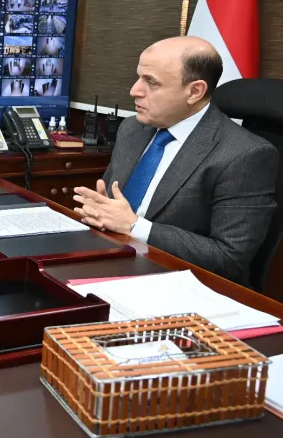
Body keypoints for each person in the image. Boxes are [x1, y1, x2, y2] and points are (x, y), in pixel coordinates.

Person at [73, 36, 279, 285]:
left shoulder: (245, 154)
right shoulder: (132, 128)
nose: (134, 90)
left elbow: (229, 258)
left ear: (194, 91)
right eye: (139, 77)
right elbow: (112, 206)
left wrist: (135, 227)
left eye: (151, 82)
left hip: (181, 282)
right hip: (112, 259)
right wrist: (98, 211)